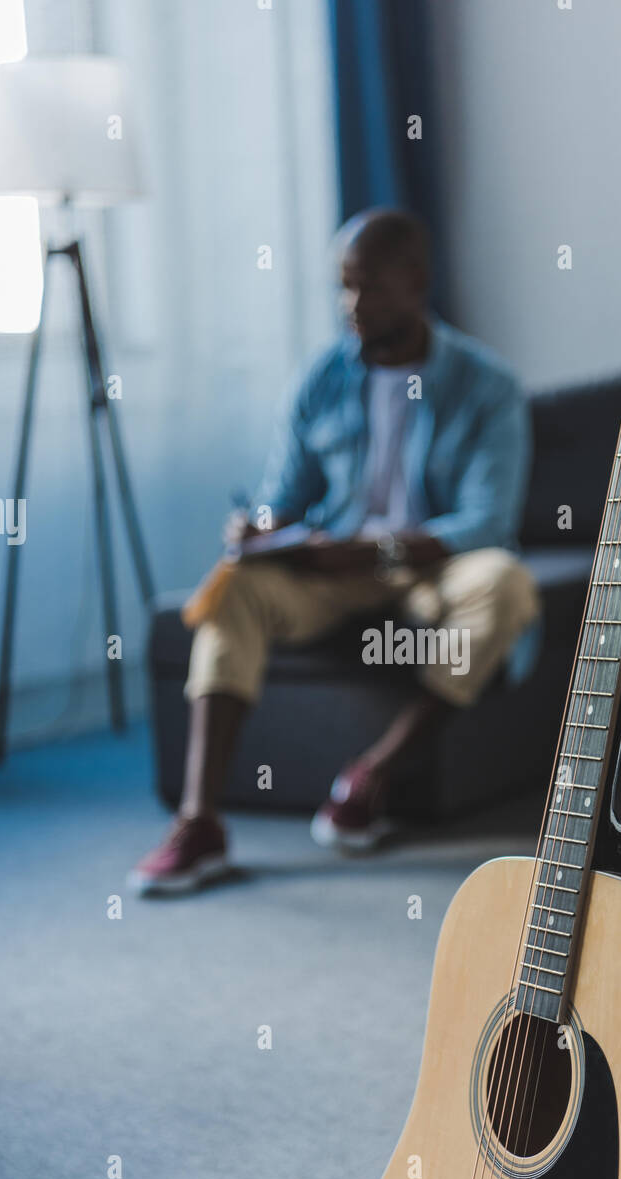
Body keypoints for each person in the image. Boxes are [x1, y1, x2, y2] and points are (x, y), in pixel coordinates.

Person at [130, 208, 539, 893]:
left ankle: (369, 775)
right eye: (343, 288)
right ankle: (199, 822)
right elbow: (280, 493)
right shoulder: (321, 376)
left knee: (503, 582)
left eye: (368, 287)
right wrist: (258, 529)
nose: (351, 305)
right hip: (334, 566)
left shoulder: (485, 386)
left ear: (415, 281)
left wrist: (372, 551)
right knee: (235, 585)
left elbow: (486, 522)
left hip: (429, 564)